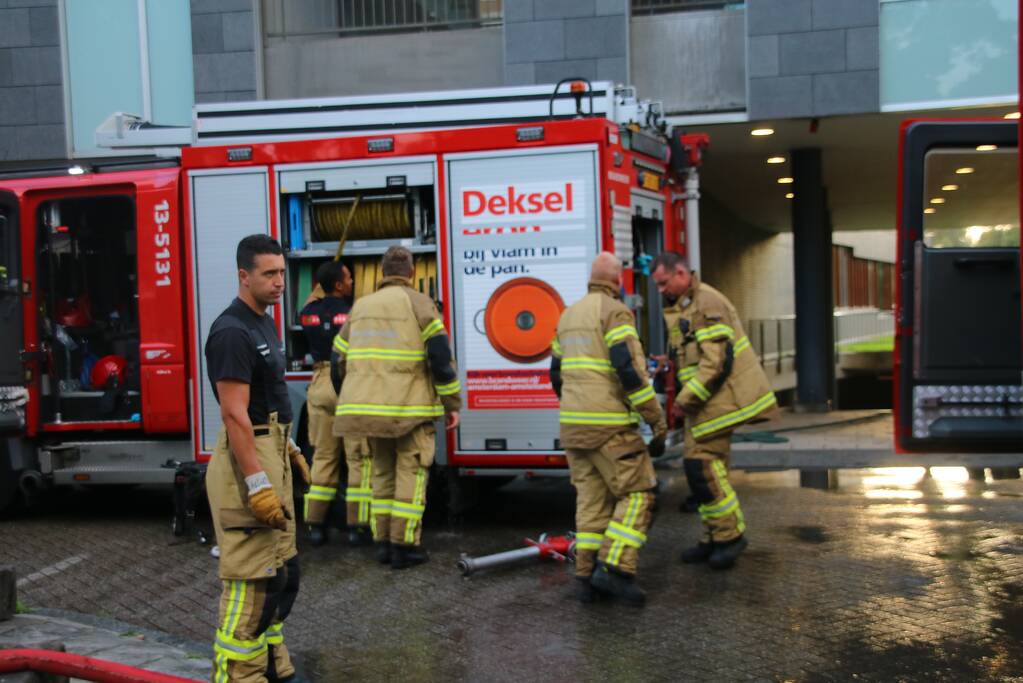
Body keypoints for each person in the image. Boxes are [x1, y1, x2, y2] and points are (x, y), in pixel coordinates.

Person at [204, 234, 310, 683]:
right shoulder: (232, 331)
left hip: (272, 450)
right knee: (253, 582)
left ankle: (272, 669)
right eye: (269, 273)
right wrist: (257, 483)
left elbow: (267, 401)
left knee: (284, 576)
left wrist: (289, 449)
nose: (279, 282)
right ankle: (237, 675)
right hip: (248, 462)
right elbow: (235, 415)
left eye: (282, 272)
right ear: (243, 276)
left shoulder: (263, 322)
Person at [331, 245, 461, 570]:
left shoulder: (360, 307)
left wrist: (351, 396)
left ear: (382, 272)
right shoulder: (420, 303)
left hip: (368, 411)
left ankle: (384, 543)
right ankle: (405, 546)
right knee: (411, 473)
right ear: (412, 272)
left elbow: (337, 361)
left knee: (382, 473)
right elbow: (441, 360)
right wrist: (451, 402)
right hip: (409, 411)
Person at [550, 252, 666, 606]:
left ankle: (586, 579)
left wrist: (576, 405)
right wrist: (655, 419)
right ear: (618, 280)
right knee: (640, 493)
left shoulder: (568, 315)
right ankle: (614, 569)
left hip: (574, 426)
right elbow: (628, 370)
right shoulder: (615, 312)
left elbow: (555, 374)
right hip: (610, 426)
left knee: (592, 503)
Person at [651, 251, 777, 570]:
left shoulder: (707, 303)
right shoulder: (688, 304)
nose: (660, 291)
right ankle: (714, 537)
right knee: (706, 473)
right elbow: (696, 353)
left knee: (702, 468)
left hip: (719, 402)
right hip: (708, 404)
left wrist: (684, 399)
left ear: (681, 273)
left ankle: (730, 537)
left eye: (663, 283)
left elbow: (717, 361)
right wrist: (669, 363)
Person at [300, 260, 373, 547]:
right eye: (348, 278)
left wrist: (320, 287)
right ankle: (357, 528)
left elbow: (308, 306)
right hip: (348, 385)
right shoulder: (354, 314)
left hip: (319, 384)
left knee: (323, 458)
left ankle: (315, 527)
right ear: (340, 285)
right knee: (358, 460)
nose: (353, 281)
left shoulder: (308, 314)